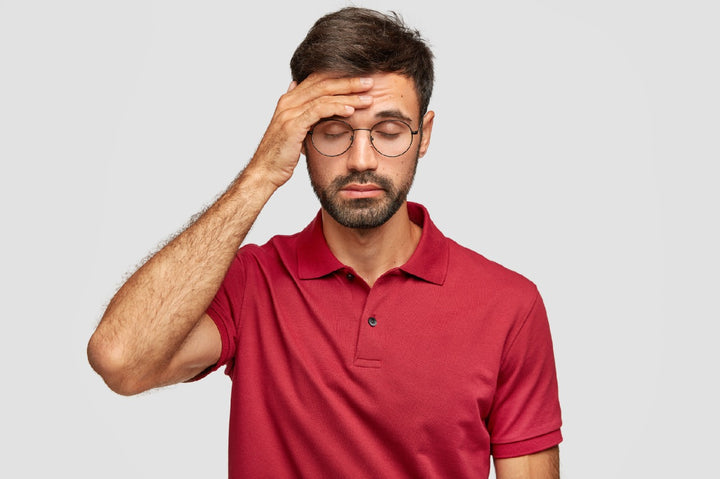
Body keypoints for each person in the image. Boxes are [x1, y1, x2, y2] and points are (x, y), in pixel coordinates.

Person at [87, 7, 562, 478]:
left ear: (424, 135)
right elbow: (120, 360)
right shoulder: (253, 283)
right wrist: (261, 174)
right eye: (333, 132)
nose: (361, 159)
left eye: (389, 132)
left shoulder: (509, 306)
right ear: (299, 137)